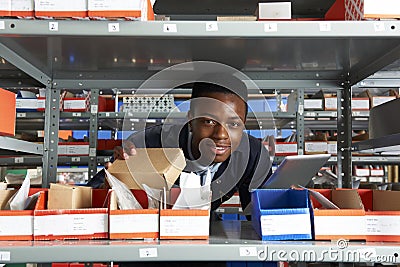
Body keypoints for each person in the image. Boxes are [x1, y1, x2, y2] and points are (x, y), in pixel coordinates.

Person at [88, 73, 273, 214]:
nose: (221, 135)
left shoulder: (252, 155)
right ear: (190, 119)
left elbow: (263, 216)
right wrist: (115, 181)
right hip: (148, 243)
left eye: (233, 124)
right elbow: (88, 199)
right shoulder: (147, 145)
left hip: (204, 242)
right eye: (208, 121)